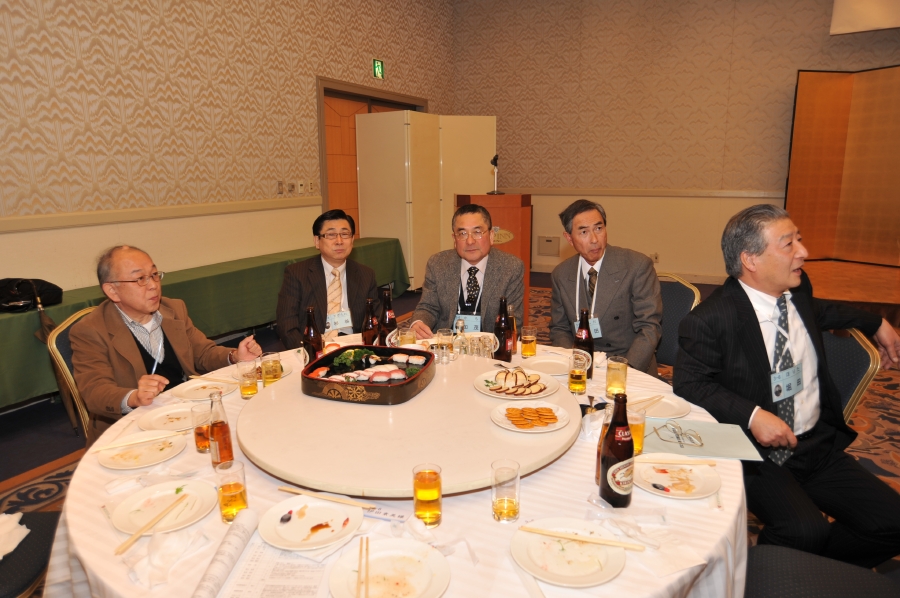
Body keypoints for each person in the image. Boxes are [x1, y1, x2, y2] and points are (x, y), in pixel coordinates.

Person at [674, 204, 900, 568]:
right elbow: (690, 383)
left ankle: (797, 568)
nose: (804, 252)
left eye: (800, 240)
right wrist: (753, 415)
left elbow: (820, 311)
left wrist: (875, 322)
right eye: (788, 244)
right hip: (756, 453)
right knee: (804, 531)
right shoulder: (711, 319)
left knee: (893, 523)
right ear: (750, 259)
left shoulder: (797, 288)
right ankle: (768, 572)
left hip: (816, 444)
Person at [71, 245, 262, 434]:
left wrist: (235, 356)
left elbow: (203, 353)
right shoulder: (90, 330)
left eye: (154, 275)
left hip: (187, 412)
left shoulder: (174, 309)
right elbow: (94, 391)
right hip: (134, 427)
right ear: (112, 290)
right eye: (140, 279)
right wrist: (134, 397)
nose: (153, 285)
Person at [549, 199, 662, 374]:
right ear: (569, 238)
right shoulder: (562, 274)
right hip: (580, 364)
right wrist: (574, 363)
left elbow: (649, 327)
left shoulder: (636, 266)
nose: (594, 239)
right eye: (584, 232)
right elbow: (559, 328)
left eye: (598, 228)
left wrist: (625, 370)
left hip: (627, 364)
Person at [410, 204, 524, 338]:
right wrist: (419, 323)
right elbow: (428, 307)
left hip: (489, 345)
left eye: (477, 232)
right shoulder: (438, 264)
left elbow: (513, 320)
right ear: (454, 239)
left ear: (491, 236)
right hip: (447, 344)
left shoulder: (511, 267)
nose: (470, 241)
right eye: (462, 233)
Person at [276, 209, 379, 348]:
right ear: (317, 241)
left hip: (355, 346)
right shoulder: (297, 273)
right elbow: (287, 325)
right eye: (331, 235)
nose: (339, 241)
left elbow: (376, 319)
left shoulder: (366, 274)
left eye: (345, 234)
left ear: (352, 240)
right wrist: (309, 352)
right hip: (314, 346)